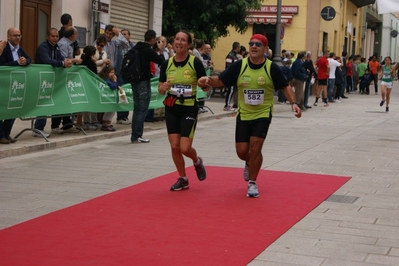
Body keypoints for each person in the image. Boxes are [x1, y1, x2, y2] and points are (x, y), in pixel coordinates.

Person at [198, 34, 301, 198]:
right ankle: (249, 162)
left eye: (258, 44)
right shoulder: (240, 65)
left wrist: (294, 103)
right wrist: (207, 80)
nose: (254, 46)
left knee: (255, 146)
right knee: (242, 151)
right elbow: (221, 80)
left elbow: (284, 87)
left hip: (263, 112)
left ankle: (252, 182)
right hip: (244, 114)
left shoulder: (271, 67)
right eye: (251, 44)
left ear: (265, 49)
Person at [157, 30, 208, 191]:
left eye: (183, 40)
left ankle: (197, 161)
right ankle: (183, 178)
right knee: (174, 147)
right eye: (177, 39)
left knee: (185, 148)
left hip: (189, 109)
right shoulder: (167, 64)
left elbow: (205, 86)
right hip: (172, 108)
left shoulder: (195, 62)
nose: (179, 42)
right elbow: (160, 89)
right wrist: (163, 88)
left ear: (188, 44)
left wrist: (202, 84)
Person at [32, 28, 73, 137]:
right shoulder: (43, 47)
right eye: (53, 36)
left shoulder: (57, 47)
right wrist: (62, 63)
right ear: (47, 37)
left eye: (56, 36)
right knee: (43, 104)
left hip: (54, 80)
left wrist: (67, 61)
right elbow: (47, 61)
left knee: (53, 102)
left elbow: (61, 58)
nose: (55, 38)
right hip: (42, 79)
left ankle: (54, 126)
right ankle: (38, 129)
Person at [130, 30, 165, 143]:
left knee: (136, 108)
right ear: (153, 39)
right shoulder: (148, 50)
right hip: (143, 81)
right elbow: (161, 61)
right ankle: (137, 135)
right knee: (142, 109)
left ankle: (134, 135)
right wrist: (159, 49)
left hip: (134, 81)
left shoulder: (136, 48)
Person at [0, 27, 32, 144]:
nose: (18, 38)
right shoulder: (4, 49)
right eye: (15, 35)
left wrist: (25, 61)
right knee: (2, 109)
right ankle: (1, 135)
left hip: (16, 84)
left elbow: (29, 59)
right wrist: (16, 63)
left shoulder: (19, 49)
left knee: (12, 108)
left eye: (19, 35)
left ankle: (7, 134)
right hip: (3, 84)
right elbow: (2, 65)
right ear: (8, 37)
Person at [116, 29, 135, 125]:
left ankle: (125, 115)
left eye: (125, 34)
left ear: (129, 36)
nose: (123, 36)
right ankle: (120, 116)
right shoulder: (117, 46)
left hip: (129, 74)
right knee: (121, 93)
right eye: (122, 34)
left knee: (128, 93)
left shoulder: (133, 47)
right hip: (120, 73)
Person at [80, 45, 101, 130]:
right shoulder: (90, 63)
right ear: (93, 53)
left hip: (87, 84)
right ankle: (88, 122)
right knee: (90, 103)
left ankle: (92, 121)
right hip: (90, 84)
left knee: (91, 102)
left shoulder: (82, 61)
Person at [99, 66, 122, 130]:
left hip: (110, 98)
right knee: (109, 111)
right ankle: (106, 124)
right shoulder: (107, 80)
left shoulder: (109, 80)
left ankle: (106, 123)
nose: (113, 74)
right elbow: (112, 86)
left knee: (110, 111)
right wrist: (115, 81)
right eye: (111, 72)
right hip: (108, 98)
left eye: (113, 72)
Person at [224, 41, 240, 111]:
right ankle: (227, 105)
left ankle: (228, 104)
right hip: (231, 76)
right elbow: (228, 66)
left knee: (232, 91)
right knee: (230, 91)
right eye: (239, 47)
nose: (240, 48)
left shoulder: (235, 55)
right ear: (237, 47)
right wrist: (230, 74)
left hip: (234, 76)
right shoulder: (230, 55)